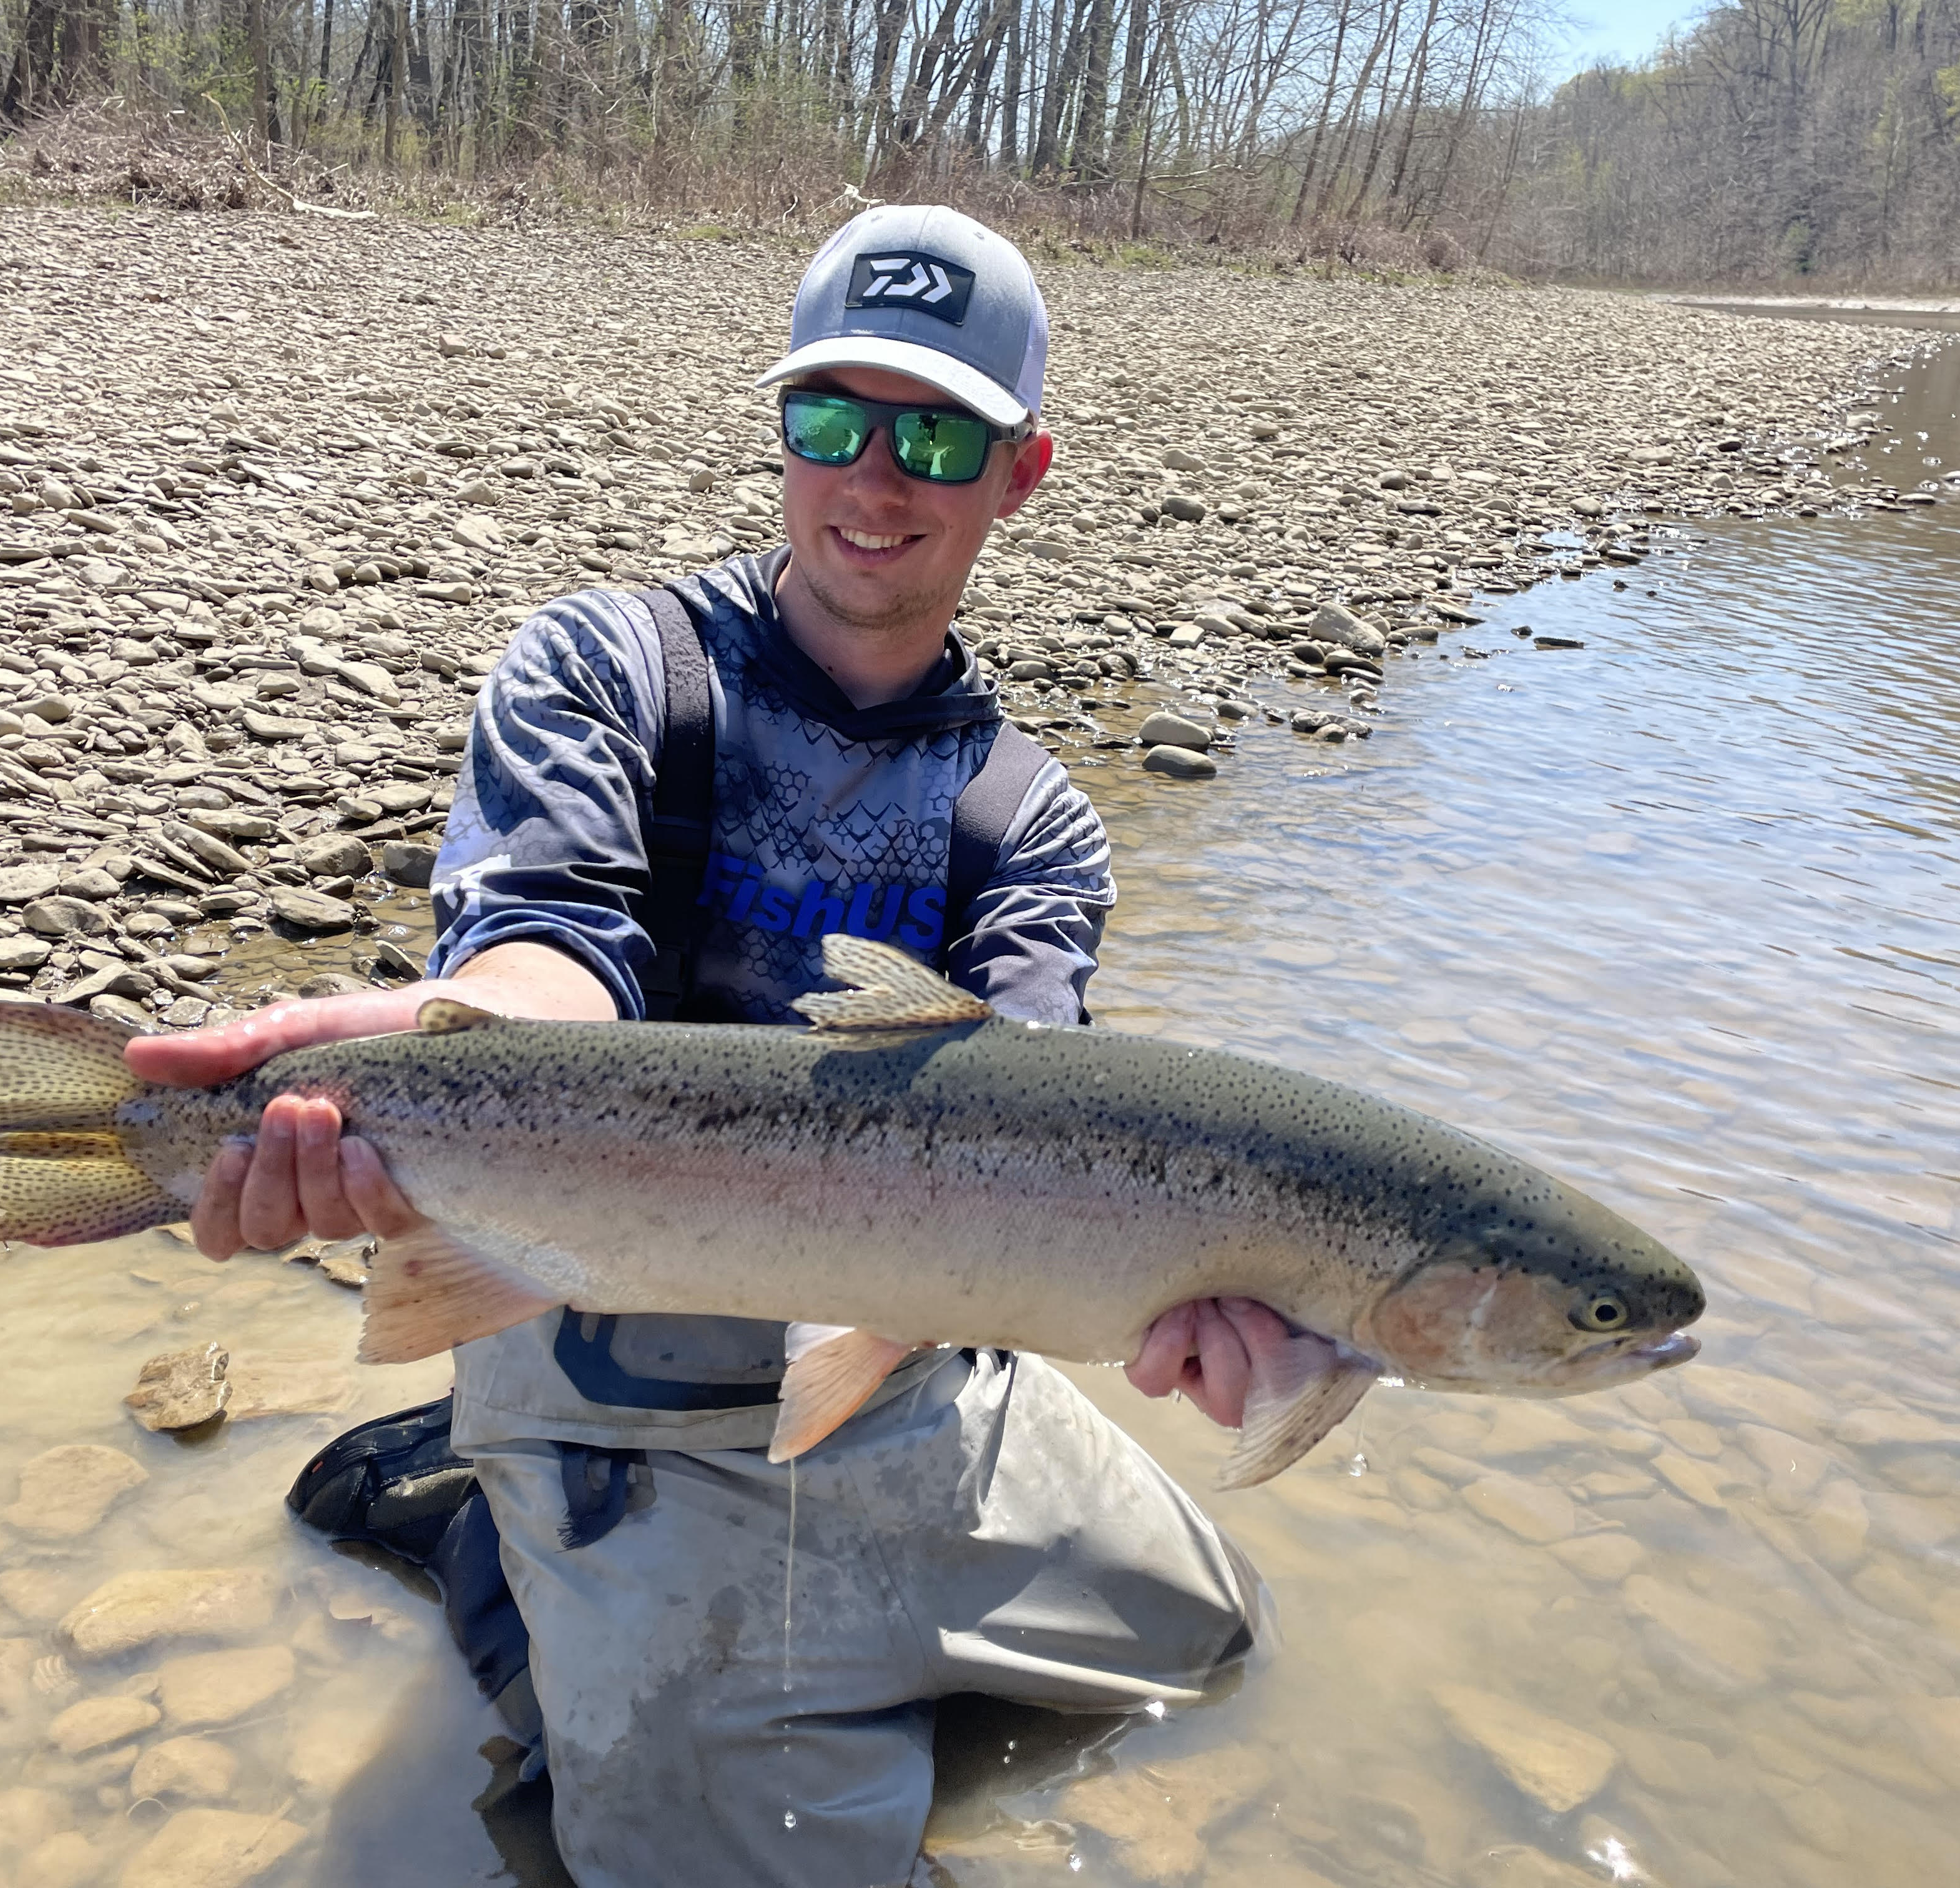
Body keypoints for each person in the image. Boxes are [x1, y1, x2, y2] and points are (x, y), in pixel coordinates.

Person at [127, 204, 1291, 1888]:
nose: (873, 479)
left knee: (1211, 1646)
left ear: (1018, 474)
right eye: (833, 419)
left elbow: (1043, 1128)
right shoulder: (608, 672)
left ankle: (660, 1621)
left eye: (936, 435)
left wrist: (1193, 1300)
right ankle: (506, 1549)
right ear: (784, 427)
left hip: (902, 1388)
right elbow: (554, 963)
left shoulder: (1030, 824)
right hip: (608, 1370)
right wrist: (430, 1055)